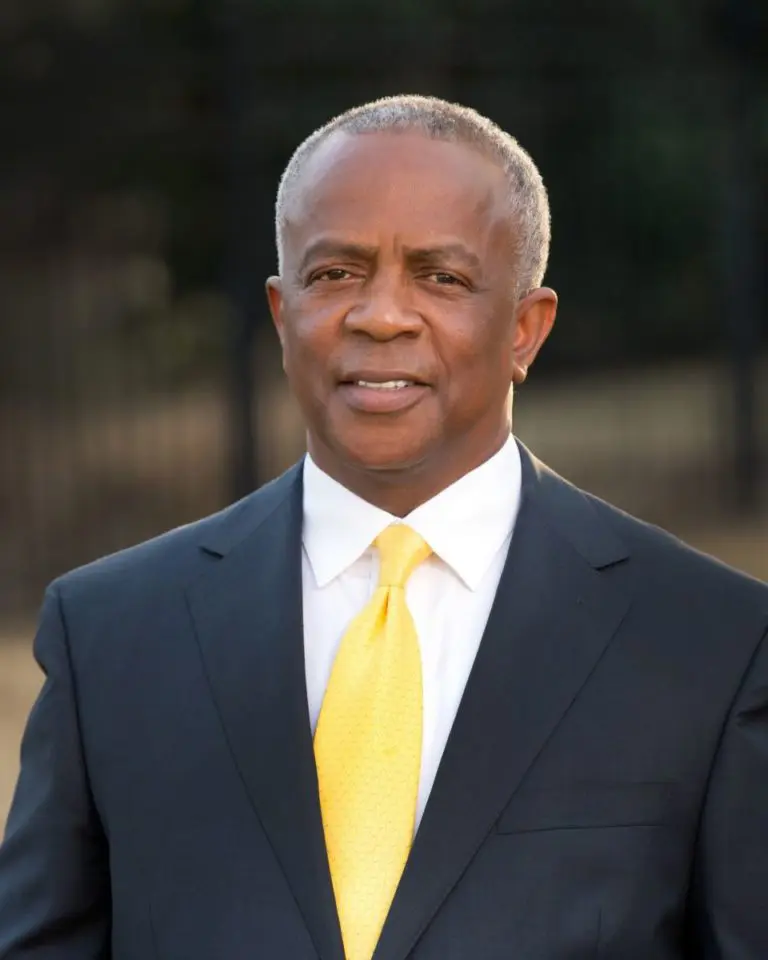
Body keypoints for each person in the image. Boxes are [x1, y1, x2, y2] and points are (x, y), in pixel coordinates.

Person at [0, 94, 766, 960]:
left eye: (440, 276)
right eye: (335, 274)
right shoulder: (109, 637)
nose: (382, 315)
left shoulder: (710, 646)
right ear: (284, 315)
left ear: (525, 328)